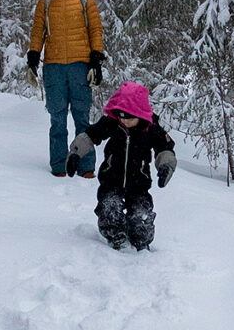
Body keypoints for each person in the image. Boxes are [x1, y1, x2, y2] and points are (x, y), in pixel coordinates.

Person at [70, 80, 176, 249]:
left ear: (140, 114)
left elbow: (165, 148)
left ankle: (140, 240)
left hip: (139, 186)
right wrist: (76, 153)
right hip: (111, 182)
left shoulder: (150, 129)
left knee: (142, 218)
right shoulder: (112, 124)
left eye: (129, 118)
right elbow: (91, 136)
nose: (124, 121)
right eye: (121, 116)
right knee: (109, 210)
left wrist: (165, 167)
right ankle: (116, 238)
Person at [27, 0, 104, 178]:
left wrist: (96, 61)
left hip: (80, 66)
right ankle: (59, 164)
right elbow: (37, 32)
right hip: (54, 67)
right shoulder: (45, 3)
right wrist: (33, 58)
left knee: (82, 117)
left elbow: (95, 30)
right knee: (57, 117)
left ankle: (85, 165)